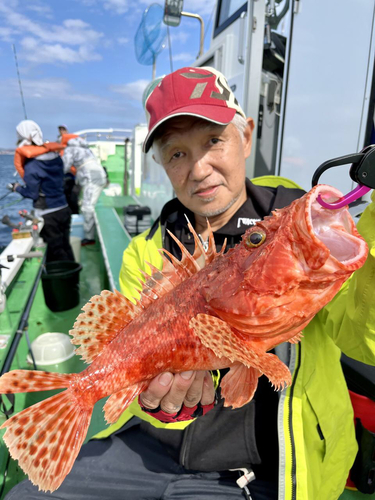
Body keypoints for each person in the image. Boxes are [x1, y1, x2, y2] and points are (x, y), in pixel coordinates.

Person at [6, 68, 375, 500]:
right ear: (162, 163)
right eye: (177, 153)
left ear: (247, 136)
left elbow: (364, 339)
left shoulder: (291, 217)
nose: (200, 169)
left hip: (265, 468)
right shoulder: (146, 250)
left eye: (213, 141)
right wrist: (164, 408)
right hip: (150, 448)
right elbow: (157, 366)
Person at [12, 120, 74, 263]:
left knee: (56, 252)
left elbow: (32, 193)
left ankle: (61, 281)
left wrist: (17, 188)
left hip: (48, 214)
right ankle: (73, 280)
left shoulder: (32, 166)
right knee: (66, 246)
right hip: (64, 209)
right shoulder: (56, 157)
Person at [62, 136, 107, 245]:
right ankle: (89, 231)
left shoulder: (70, 149)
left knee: (87, 207)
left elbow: (65, 167)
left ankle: (89, 237)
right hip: (100, 176)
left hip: (90, 178)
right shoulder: (87, 150)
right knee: (88, 204)